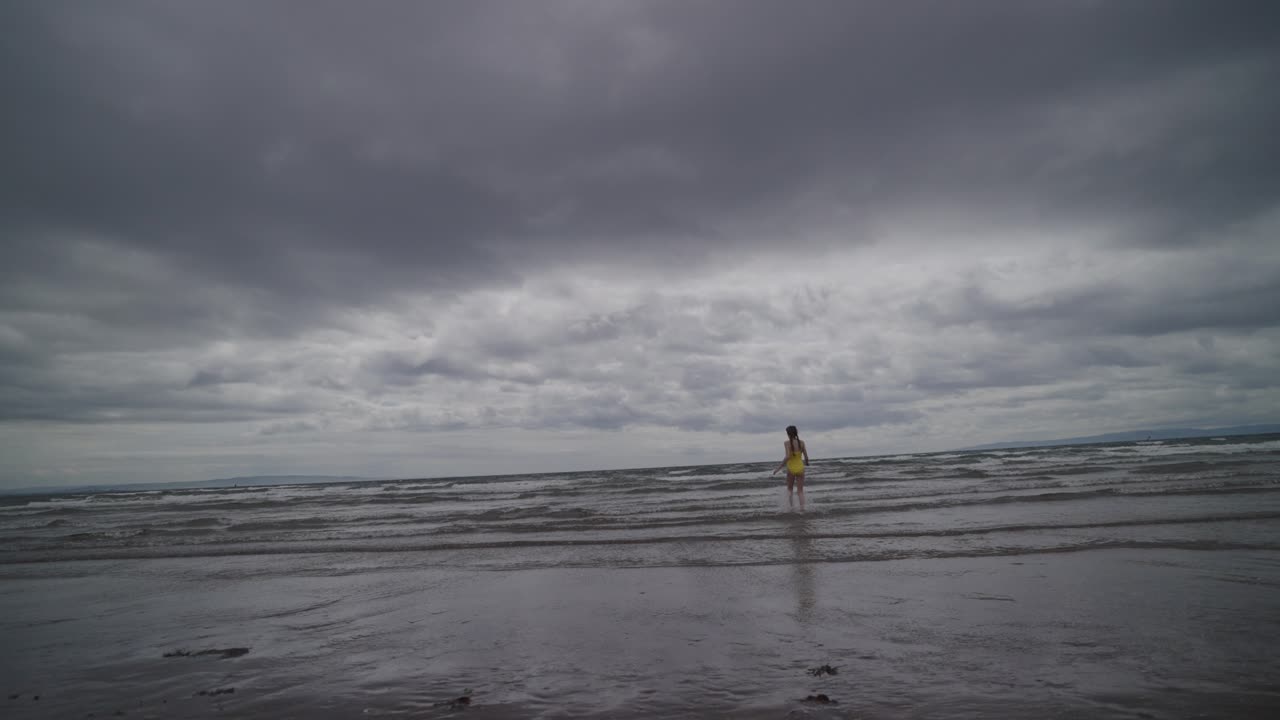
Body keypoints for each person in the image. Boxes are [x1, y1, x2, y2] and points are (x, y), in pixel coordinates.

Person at [772, 425, 809, 507]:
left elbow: (788, 456)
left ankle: (791, 508)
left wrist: (778, 468)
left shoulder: (786, 443)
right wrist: (807, 462)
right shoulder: (802, 442)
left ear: (788, 433)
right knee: (800, 491)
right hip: (800, 468)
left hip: (791, 469)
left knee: (790, 490)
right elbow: (806, 457)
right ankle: (802, 509)